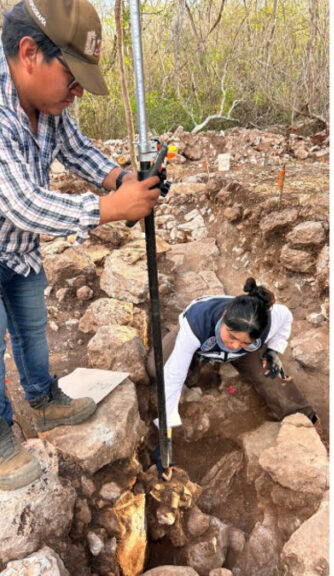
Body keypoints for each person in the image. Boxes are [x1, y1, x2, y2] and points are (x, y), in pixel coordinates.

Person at [0, 0, 163, 490]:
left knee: (31, 328)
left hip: (16, 248)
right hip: (17, 222)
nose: (76, 93)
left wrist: (119, 178)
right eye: (71, 78)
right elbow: (24, 204)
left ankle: (44, 400)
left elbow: (75, 148)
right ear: (29, 53)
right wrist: (111, 208)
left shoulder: (48, 105)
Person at [146, 278, 318, 473]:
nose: (234, 344)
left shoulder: (266, 324)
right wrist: (165, 437)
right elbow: (172, 378)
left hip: (244, 354)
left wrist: (273, 350)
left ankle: (307, 419)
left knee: (269, 375)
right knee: (157, 368)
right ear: (225, 315)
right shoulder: (197, 324)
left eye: (244, 341)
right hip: (200, 341)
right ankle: (195, 364)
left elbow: (286, 316)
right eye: (232, 336)